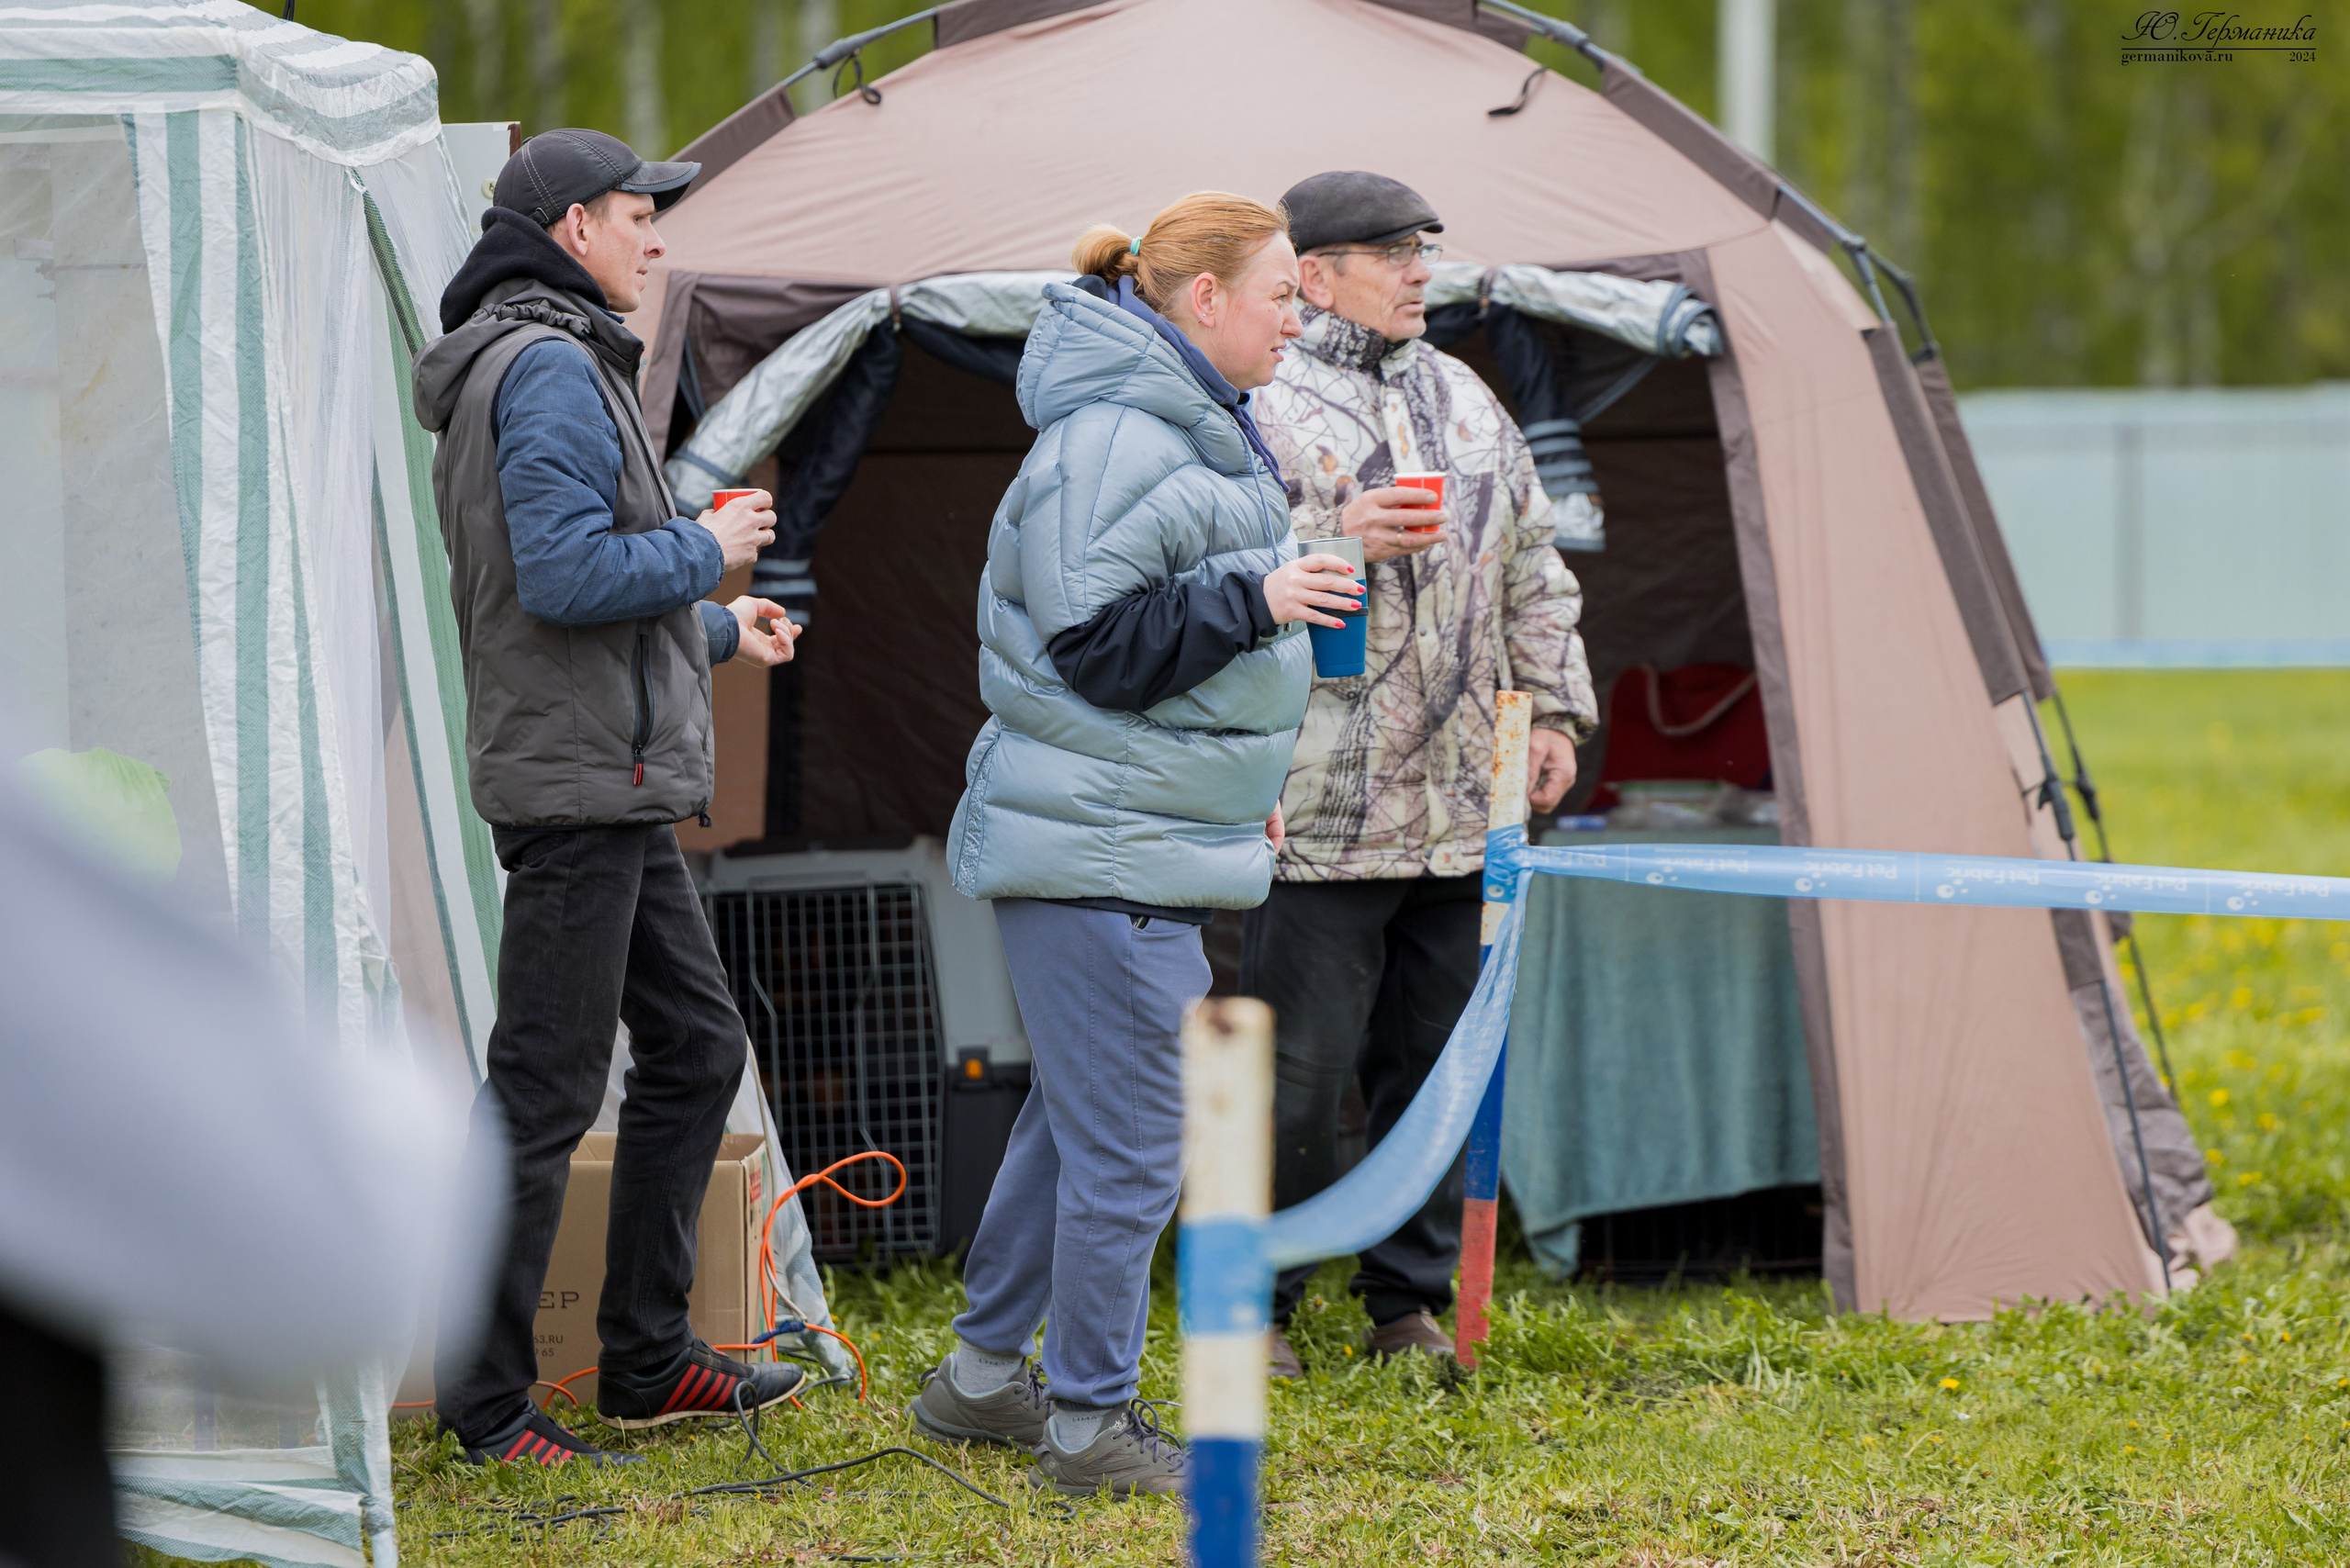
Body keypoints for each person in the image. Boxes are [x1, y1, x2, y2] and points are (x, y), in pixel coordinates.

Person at [907, 193, 1360, 1497]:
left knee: (1076, 1126)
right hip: (1097, 854)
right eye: (1282, 291)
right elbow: (1097, 648)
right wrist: (1259, 594)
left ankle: (984, 1383)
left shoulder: (1182, 427)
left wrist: (1235, 787)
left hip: (1139, 836)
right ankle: (1088, 1427)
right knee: (1140, 1142)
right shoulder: (1110, 438)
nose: (1300, 311)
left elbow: (1162, 651)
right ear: (1203, 299)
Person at [412, 129, 804, 1466]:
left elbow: (578, 608)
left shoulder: (544, 359)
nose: (656, 239)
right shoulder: (548, 370)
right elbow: (569, 579)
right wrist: (707, 546)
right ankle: (487, 1407)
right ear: (573, 227)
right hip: (583, 791)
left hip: (608, 779)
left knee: (694, 1052)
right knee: (542, 1092)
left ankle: (642, 1360)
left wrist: (712, 624)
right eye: (640, 216)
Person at [1246, 171, 1598, 1374]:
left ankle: (1405, 1306)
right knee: (1295, 1082)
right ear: (1313, 272)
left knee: (1437, 1073)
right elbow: (1208, 574)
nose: (1418, 271)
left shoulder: (1467, 396)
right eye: (1393, 251)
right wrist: (1331, 534)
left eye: (1426, 250)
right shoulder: (1255, 397)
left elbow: (1536, 570)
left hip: (1466, 805)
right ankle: (1264, 1306)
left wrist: (1554, 711)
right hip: (1319, 809)